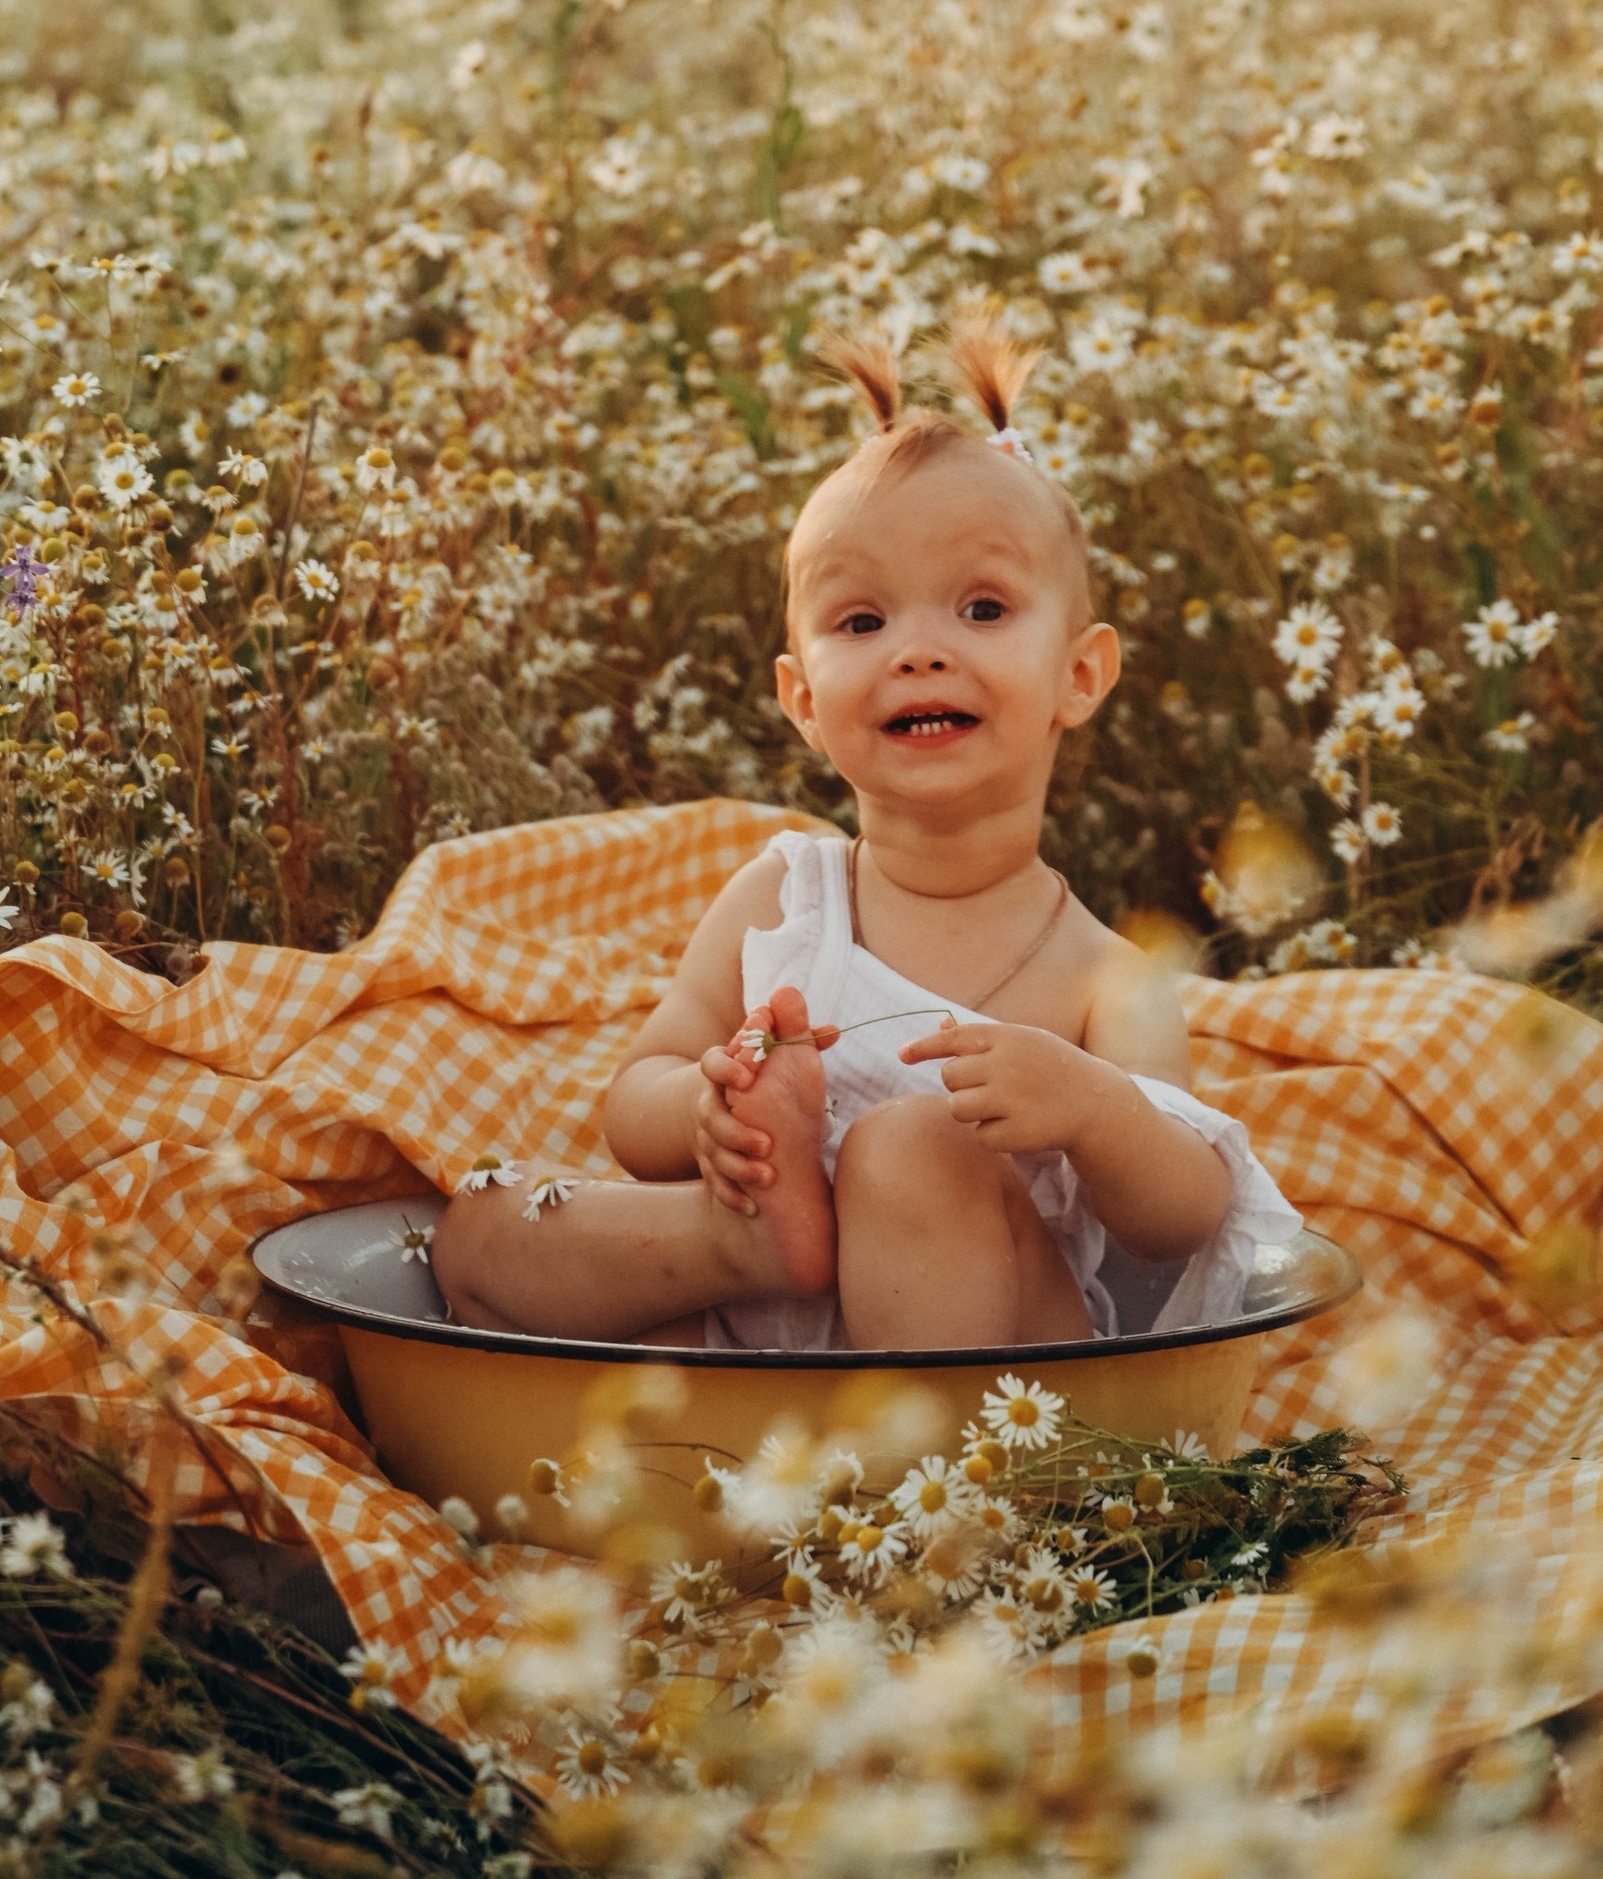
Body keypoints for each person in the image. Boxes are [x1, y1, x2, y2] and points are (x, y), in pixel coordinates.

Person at [432, 313, 1298, 1350]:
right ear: (802, 699)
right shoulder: (783, 901)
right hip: (774, 1321)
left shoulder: (1106, 977)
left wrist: (1094, 1110)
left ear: (1080, 675)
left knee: (908, 1146)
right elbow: (635, 1102)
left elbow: (1184, 1217)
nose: (918, 652)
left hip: (982, 1378)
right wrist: (707, 1109)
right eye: (862, 622)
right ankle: (747, 1250)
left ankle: (901, 1489)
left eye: (981, 609)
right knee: (478, 1232)